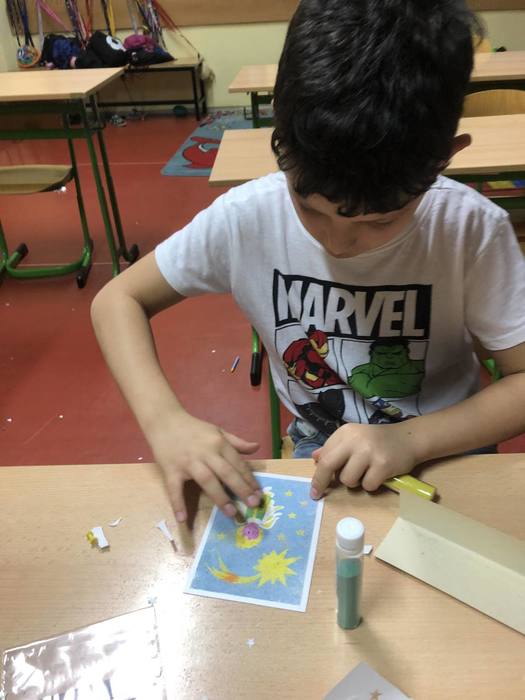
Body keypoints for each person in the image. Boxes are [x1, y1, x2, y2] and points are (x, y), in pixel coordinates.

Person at [91, 0, 525, 522]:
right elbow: (117, 299)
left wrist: (411, 440)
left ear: (444, 160)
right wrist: (165, 421)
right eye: (310, 210)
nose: (338, 244)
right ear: (282, 141)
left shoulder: (470, 230)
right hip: (322, 450)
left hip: (447, 452)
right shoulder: (249, 217)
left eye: (380, 222)